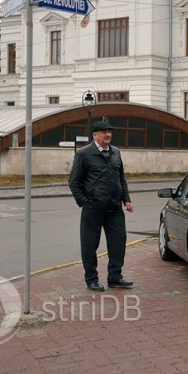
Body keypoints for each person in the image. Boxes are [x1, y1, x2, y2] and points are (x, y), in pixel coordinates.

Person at [69, 118, 134, 291]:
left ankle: (115, 276)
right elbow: (74, 182)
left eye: (109, 131)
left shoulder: (116, 152)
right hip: (93, 208)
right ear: (95, 135)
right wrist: (84, 202)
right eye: (104, 132)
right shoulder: (84, 154)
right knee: (90, 245)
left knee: (118, 242)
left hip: (114, 208)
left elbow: (121, 178)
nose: (108, 134)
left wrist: (126, 199)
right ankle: (91, 279)